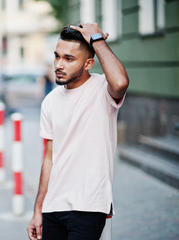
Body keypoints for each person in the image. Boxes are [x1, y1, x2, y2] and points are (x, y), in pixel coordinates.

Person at [27, 23, 129, 240]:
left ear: (88, 63)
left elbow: (120, 82)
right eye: (57, 57)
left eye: (69, 59)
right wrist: (38, 210)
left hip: (89, 206)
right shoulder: (50, 101)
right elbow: (48, 158)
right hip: (53, 206)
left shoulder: (102, 89)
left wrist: (97, 39)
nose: (59, 65)